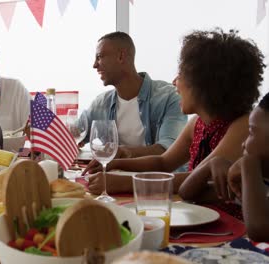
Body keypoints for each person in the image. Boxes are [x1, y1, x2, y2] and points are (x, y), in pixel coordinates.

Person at [84, 28, 265, 195]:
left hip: (231, 225)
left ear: (204, 82)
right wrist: (114, 163)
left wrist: (123, 182)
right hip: (198, 215)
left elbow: (192, 180)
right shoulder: (197, 123)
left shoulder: (242, 126)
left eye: (181, 74)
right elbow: (162, 162)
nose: (174, 82)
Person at [82, 31, 187, 160]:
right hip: (115, 178)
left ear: (121, 57)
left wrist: (123, 152)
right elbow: (74, 134)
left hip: (156, 179)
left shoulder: (169, 97)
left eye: (99, 57)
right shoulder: (101, 103)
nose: (94, 65)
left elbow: (168, 149)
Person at [179, 93, 269, 241]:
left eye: (251, 132)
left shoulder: (253, 175)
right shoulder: (256, 181)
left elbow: (259, 230)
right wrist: (210, 164)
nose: (243, 143)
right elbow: (187, 193)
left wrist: (249, 163)